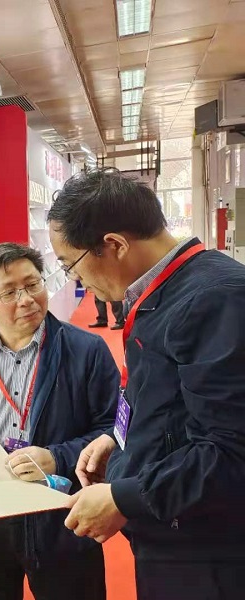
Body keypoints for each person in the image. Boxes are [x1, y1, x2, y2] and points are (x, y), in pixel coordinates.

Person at [47, 168, 245, 600]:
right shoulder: (160, 291)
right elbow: (167, 398)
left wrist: (126, 498)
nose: (76, 281)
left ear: (115, 245)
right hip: (169, 527)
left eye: (70, 265)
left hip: (205, 552)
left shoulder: (214, 299)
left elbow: (231, 451)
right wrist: (122, 439)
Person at [0, 243, 118, 600]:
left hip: (61, 515)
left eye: (33, 284)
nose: (27, 299)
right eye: (9, 292)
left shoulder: (86, 350)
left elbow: (113, 430)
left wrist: (57, 457)